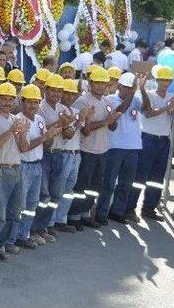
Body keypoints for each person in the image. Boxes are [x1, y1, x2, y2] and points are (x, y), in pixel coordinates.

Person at [68, 66, 120, 229]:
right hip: (86, 150)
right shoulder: (83, 101)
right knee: (82, 185)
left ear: (107, 85)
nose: (99, 86)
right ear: (90, 83)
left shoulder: (108, 102)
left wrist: (113, 120)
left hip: (102, 150)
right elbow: (85, 130)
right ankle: (74, 216)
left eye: (103, 83)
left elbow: (112, 127)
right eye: (96, 83)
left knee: (95, 186)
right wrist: (105, 122)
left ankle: (85, 214)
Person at [0, 82, 28, 266]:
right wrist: (11, 131)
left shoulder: (15, 119)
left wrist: (22, 133)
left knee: (13, 212)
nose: (8, 102)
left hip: (15, 168)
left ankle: (0, 246)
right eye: (4, 98)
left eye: (11, 99)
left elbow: (24, 148)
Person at [13, 84, 61, 249]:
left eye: (36, 102)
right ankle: (15, 236)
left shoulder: (40, 120)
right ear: (22, 102)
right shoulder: (18, 119)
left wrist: (50, 136)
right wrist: (45, 137)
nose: (33, 105)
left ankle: (25, 234)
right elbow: (23, 147)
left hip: (37, 165)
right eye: (29, 102)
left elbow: (47, 144)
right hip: (23, 165)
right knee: (21, 203)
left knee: (32, 203)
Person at [127, 66, 174, 222]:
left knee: (157, 177)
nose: (165, 83)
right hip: (148, 138)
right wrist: (166, 108)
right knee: (141, 175)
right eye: (162, 80)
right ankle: (130, 208)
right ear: (157, 80)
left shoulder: (172, 96)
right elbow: (148, 113)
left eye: (168, 80)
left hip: (163, 140)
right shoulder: (149, 95)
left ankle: (149, 208)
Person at [97, 72, 143, 225]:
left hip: (133, 146)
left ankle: (117, 211)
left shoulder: (136, 98)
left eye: (131, 88)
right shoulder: (110, 99)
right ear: (119, 86)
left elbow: (148, 109)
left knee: (125, 183)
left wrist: (141, 89)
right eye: (126, 88)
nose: (129, 90)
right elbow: (119, 111)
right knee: (109, 183)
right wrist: (132, 93)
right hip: (115, 147)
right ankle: (101, 212)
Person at [31, 74, 73, 241]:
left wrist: (68, 128)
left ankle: (44, 226)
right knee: (43, 195)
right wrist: (60, 123)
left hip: (60, 154)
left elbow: (68, 133)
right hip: (45, 155)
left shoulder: (62, 108)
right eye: (53, 90)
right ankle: (35, 229)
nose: (56, 94)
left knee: (56, 194)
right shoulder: (40, 108)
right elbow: (42, 131)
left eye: (59, 91)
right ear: (46, 90)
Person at [54, 79, 85, 232]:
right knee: (58, 189)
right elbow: (67, 134)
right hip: (64, 153)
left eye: (73, 94)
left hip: (76, 154)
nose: (69, 97)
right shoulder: (60, 110)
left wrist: (84, 119)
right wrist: (77, 122)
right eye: (66, 93)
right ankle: (51, 222)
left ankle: (61, 219)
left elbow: (85, 132)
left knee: (69, 190)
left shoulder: (76, 111)